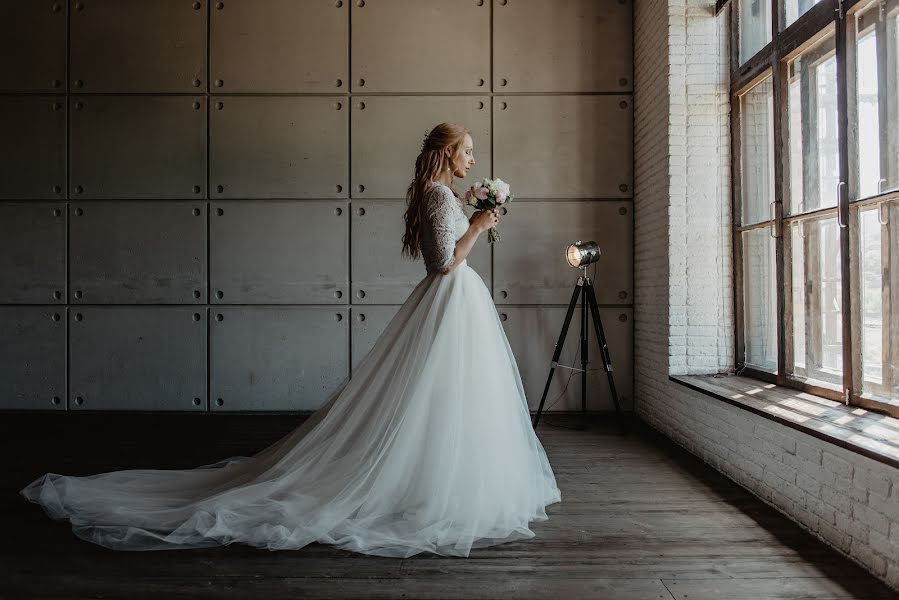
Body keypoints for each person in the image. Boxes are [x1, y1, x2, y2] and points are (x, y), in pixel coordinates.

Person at [19, 122, 562, 558]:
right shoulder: (443, 198)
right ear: (447, 155)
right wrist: (481, 225)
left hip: (450, 307)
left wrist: (473, 219)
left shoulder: (435, 194)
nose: (473, 157)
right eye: (466, 150)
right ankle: (433, 486)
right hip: (450, 301)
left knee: (441, 398)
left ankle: (437, 478)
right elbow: (444, 264)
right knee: (442, 397)